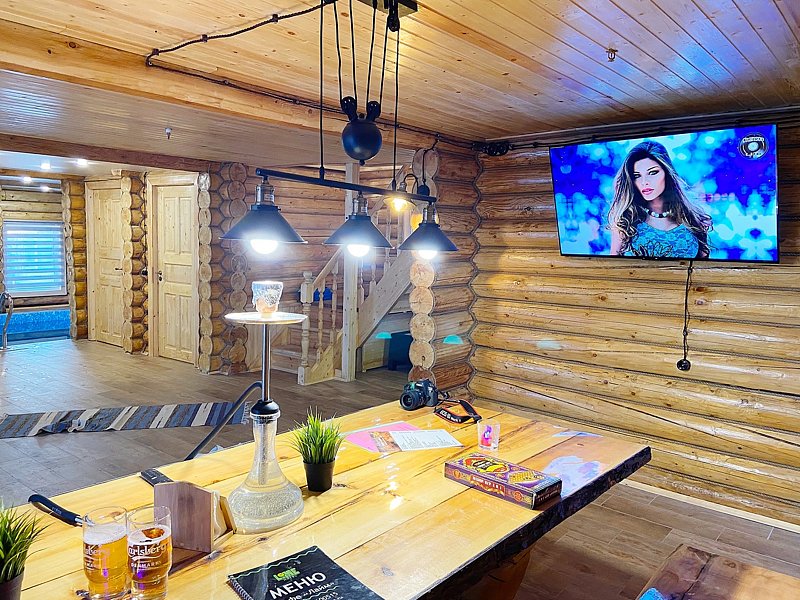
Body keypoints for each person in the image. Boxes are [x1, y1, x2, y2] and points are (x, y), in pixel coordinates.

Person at [608, 140, 711, 258]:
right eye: (637, 176)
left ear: (667, 173)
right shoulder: (625, 222)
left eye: (652, 173)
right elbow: (613, 264)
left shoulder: (694, 219)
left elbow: (704, 265)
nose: (644, 182)